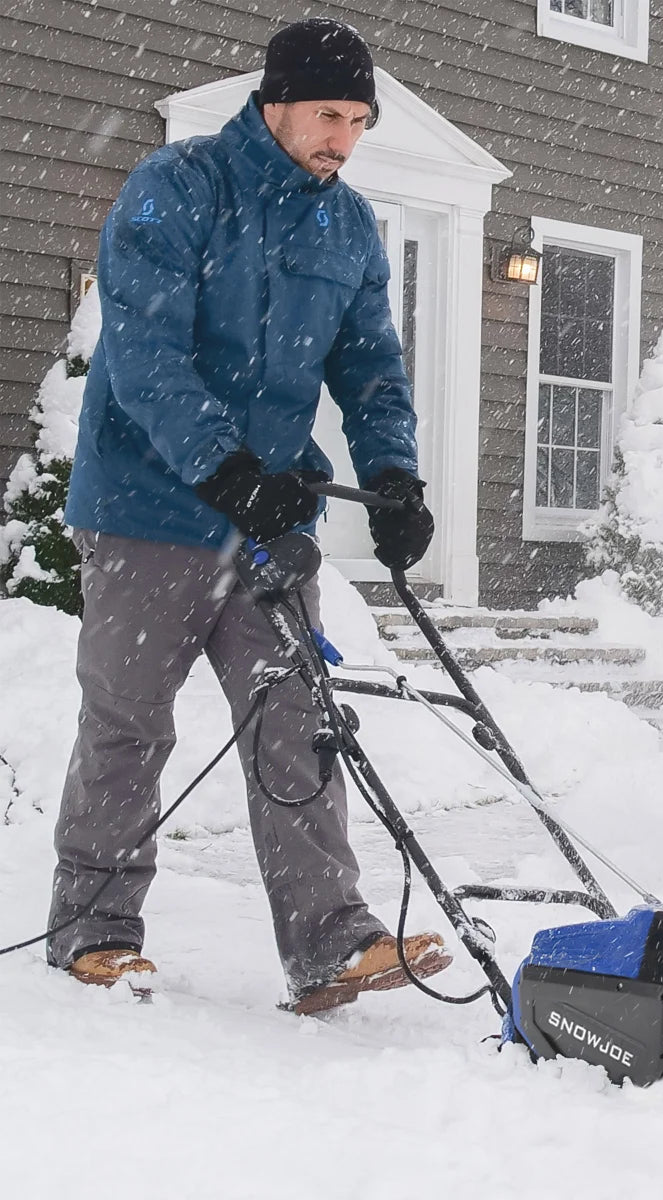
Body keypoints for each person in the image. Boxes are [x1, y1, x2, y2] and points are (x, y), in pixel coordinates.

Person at [47, 18, 449, 1015]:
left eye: (359, 120)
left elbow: (370, 366)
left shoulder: (347, 225)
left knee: (298, 723)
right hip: (146, 505)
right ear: (275, 102)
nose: (344, 140)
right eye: (328, 115)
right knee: (128, 723)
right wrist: (224, 471)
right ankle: (95, 931)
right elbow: (145, 358)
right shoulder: (176, 189)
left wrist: (397, 477)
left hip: (268, 519)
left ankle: (329, 942)